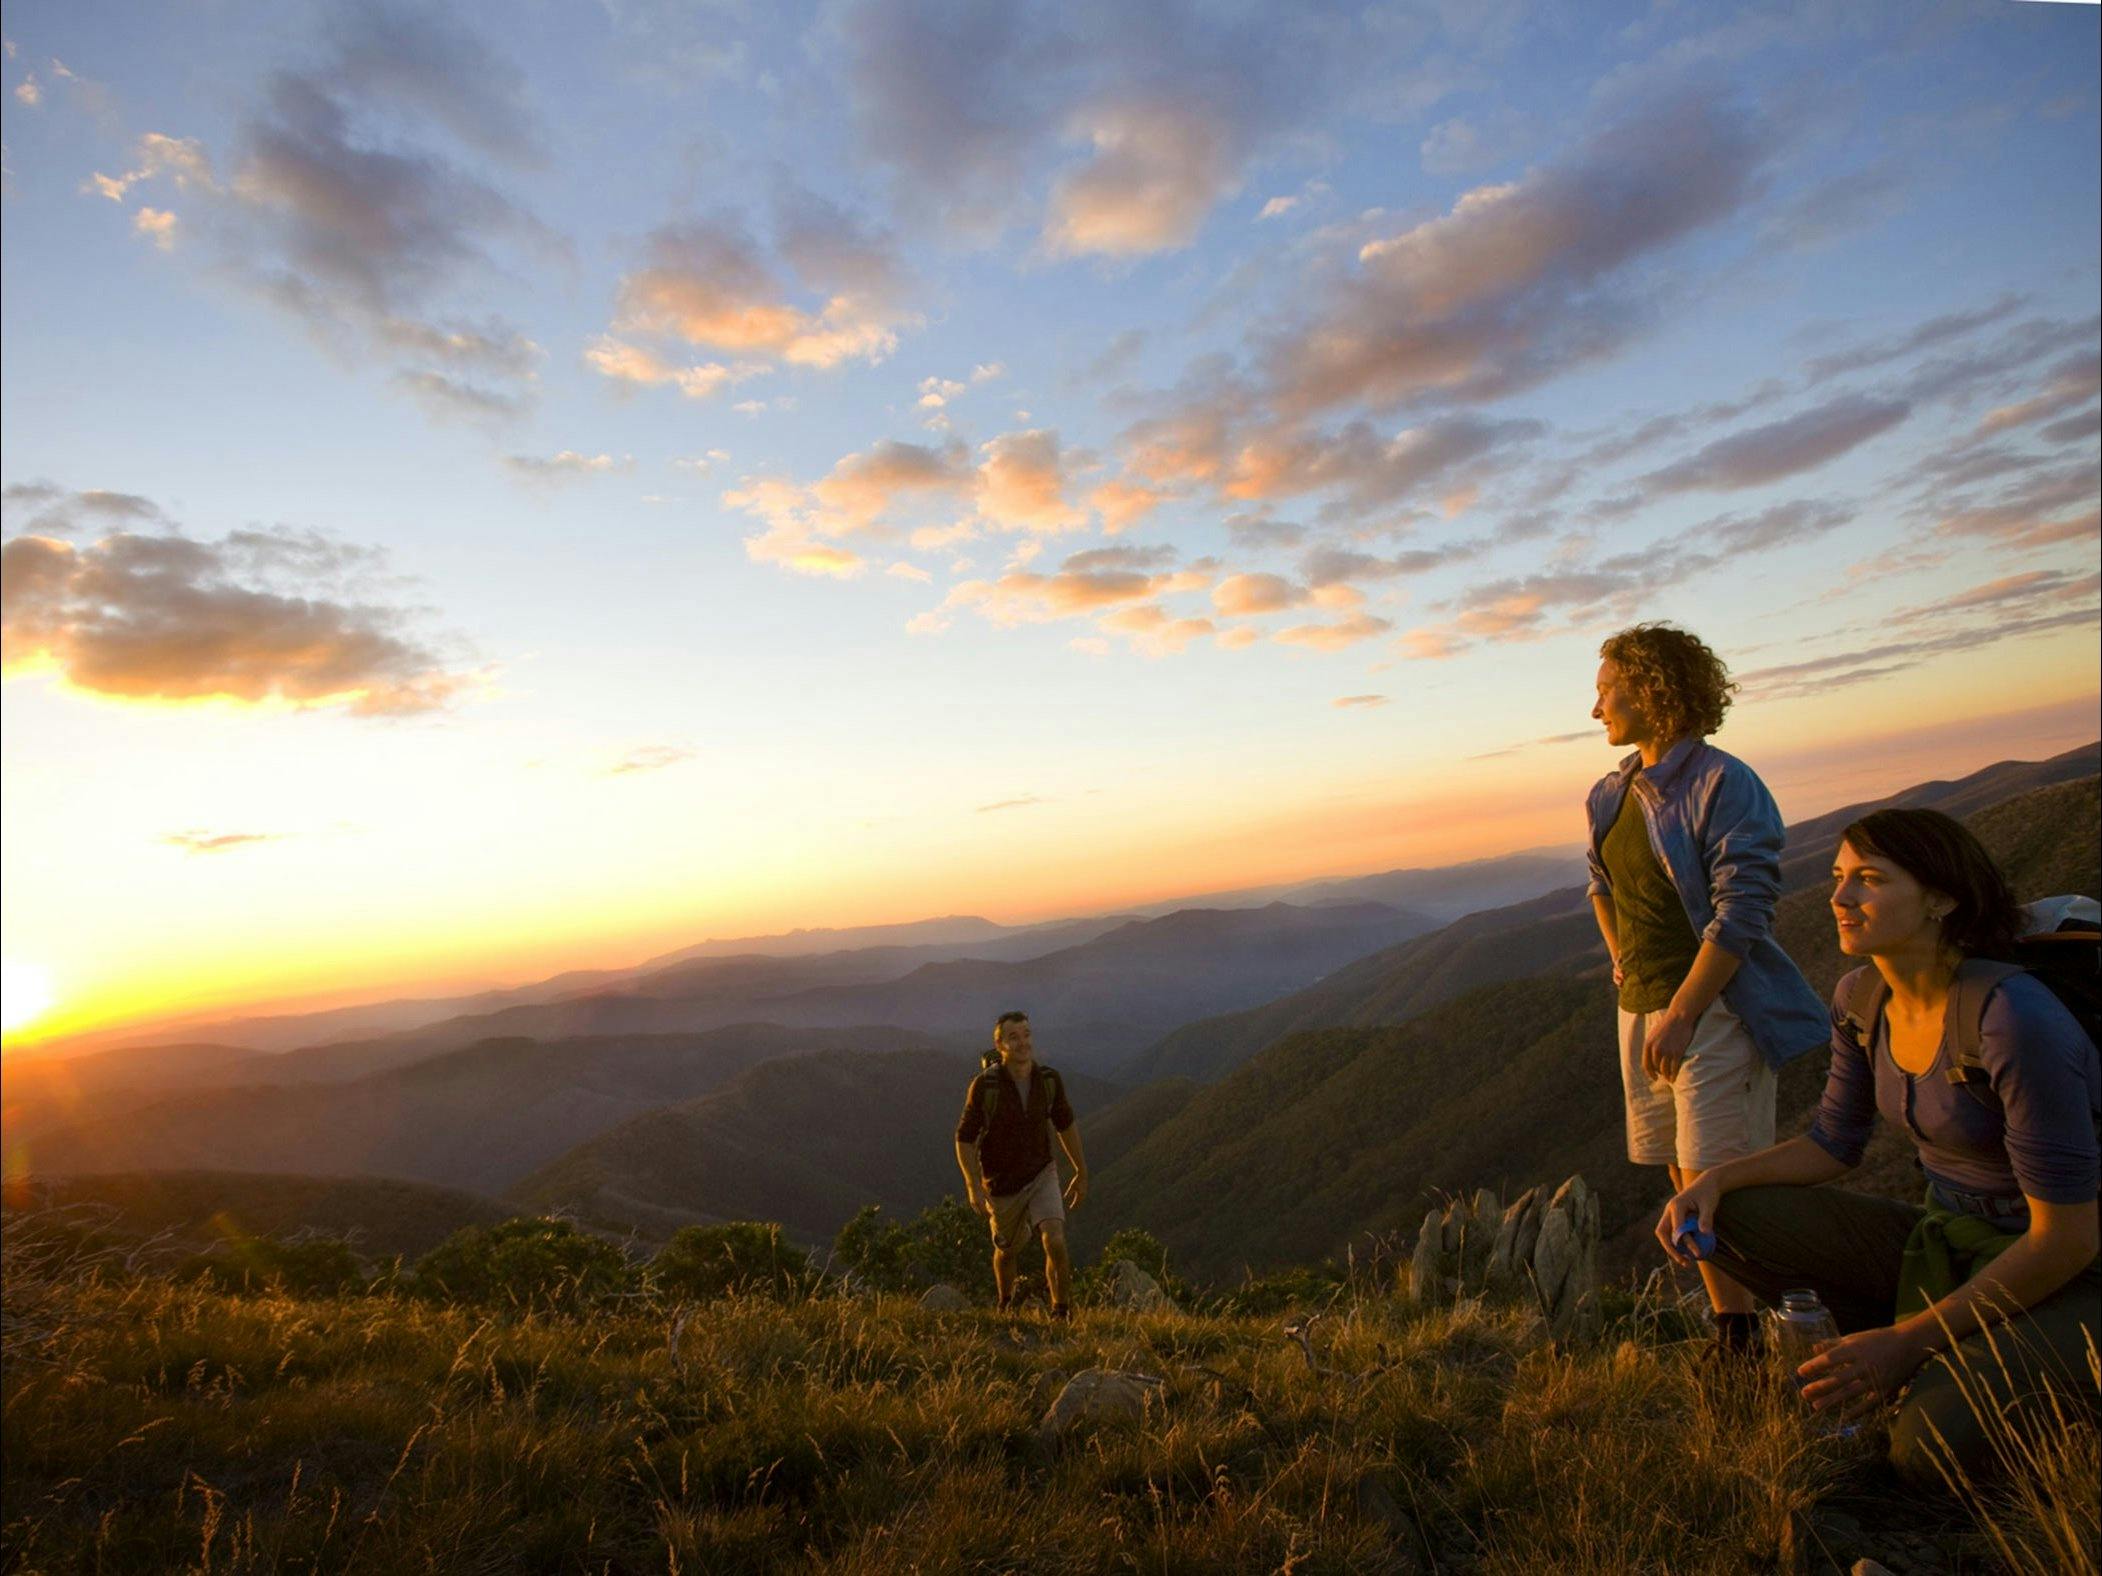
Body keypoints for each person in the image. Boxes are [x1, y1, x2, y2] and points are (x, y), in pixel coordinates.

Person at [1658, 808, 2100, 1486]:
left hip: (2070, 1267)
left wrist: (1907, 1342)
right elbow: (1833, 1141)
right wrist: (1713, 1182)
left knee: (1928, 1450)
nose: (1839, 897)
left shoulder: (2012, 1020)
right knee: (1734, 1218)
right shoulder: (1862, 998)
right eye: (1839, 876)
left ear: (1940, 899)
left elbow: (2066, 1238)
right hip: (1951, 1238)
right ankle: (1945, 1348)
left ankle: (1979, 1359)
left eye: (1869, 879)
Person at [1586, 624, 1828, 1359]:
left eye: (1606, 690)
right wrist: (1622, 959)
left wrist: (1686, 1011)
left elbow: (1744, 909)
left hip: (1714, 1009)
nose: (1596, 709)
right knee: (1677, 1164)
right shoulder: (1611, 792)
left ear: (1651, 689)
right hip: (1642, 1006)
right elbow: (1601, 885)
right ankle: (1734, 1322)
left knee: (1714, 1174)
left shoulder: (1724, 783)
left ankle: (1749, 1335)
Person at [954, 1011, 1089, 1317]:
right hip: (1001, 1183)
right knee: (1007, 1251)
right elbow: (964, 1138)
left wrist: (1081, 1171)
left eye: (1026, 1034)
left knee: (1055, 1239)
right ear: (1000, 1045)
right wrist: (972, 1185)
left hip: (1042, 1172)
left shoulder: (1048, 1081)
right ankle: (1005, 1304)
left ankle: (1061, 1312)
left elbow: (1065, 1125)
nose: (1023, 1042)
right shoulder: (985, 1086)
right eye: (1013, 1037)